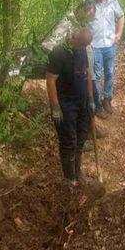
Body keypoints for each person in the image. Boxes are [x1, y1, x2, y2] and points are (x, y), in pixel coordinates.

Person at [42, 0, 107, 141]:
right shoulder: (67, 23)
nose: (89, 19)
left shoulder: (82, 23)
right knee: (74, 103)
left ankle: (89, 130)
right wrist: (60, 62)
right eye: (87, 15)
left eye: (90, 17)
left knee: (89, 99)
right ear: (80, 11)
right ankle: (77, 137)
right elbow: (50, 45)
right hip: (70, 71)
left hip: (84, 69)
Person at [46, 28, 95, 186]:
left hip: (82, 103)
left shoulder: (82, 51)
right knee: (69, 141)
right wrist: (55, 107)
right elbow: (50, 80)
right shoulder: (58, 53)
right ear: (73, 37)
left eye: (85, 45)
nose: (82, 47)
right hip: (65, 104)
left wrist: (91, 99)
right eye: (81, 44)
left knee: (80, 140)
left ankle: (77, 173)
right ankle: (69, 178)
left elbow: (87, 75)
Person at [89, 0, 125, 118]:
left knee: (110, 72)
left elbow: (121, 16)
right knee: (96, 75)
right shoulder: (88, 3)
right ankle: (97, 104)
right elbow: (78, 18)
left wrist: (119, 33)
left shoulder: (113, 1)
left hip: (109, 44)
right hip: (94, 45)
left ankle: (107, 99)